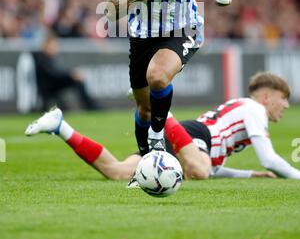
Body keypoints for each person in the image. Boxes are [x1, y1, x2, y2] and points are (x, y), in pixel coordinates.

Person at [105, 0, 242, 154]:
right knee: (144, 109)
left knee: (157, 77)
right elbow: (110, 11)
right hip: (142, 34)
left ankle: (158, 137)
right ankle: (146, 160)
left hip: (183, 28)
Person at [24, 72, 300, 181]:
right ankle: (159, 109)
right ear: (267, 97)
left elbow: (213, 167)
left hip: (191, 141)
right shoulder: (255, 109)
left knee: (117, 172)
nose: (286, 106)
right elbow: (269, 158)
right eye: (283, 100)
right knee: (198, 171)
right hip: (195, 135)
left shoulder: (244, 108)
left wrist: (251, 175)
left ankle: (60, 126)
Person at [33, 33, 101, 111]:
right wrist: (70, 74)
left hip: (55, 84)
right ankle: (91, 106)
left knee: (78, 81)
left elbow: (59, 71)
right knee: (75, 79)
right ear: (46, 46)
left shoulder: (52, 58)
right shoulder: (41, 58)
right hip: (49, 87)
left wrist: (71, 74)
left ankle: (90, 105)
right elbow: (53, 74)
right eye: (52, 46)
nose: (55, 48)